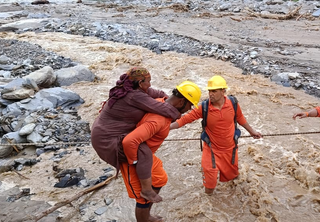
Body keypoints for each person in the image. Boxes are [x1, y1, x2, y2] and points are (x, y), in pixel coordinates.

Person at [91, 67, 181, 203]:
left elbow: (158, 93)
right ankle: (146, 190)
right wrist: (178, 111)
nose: (150, 85)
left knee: (141, 149)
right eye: (148, 81)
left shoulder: (132, 88)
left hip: (102, 131)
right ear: (140, 83)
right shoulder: (134, 95)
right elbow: (163, 109)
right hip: (107, 139)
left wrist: (167, 98)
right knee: (143, 152)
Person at [120, 81, 201, 222]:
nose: (189, 109)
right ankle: (143, 219)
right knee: (143, 196)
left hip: (145, 155)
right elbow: (129, 142)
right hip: (133, 156)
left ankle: (147, 216)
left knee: (160, 178)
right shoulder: (158, 120)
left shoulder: (160, 102)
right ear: (182, 101)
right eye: (189, 105)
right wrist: (134, 161)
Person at [170, 75, 262, 194]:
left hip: (230, 149)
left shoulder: (233, 103)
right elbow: (185, 119)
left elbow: (240, 118)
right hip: (211, 150)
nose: (211, 94)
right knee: (210, 183)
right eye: (209, 91)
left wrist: (252, 132)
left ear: (223, 91)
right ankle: (210, 205)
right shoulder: (204, 107)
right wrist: (165, 128)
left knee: (233, 179)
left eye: (214, 91)